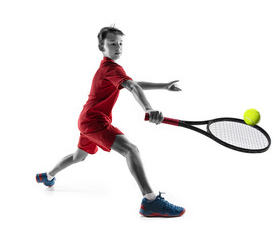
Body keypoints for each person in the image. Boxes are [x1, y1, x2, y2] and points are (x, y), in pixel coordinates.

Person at [36, 26, 185, 217]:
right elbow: (131, 86)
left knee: (78, 157)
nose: (118, 47)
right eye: (112, 43)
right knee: (131, 150)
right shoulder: (111, 68)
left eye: (121, 43)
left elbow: (132, 83)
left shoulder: (108, 69)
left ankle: (48, 176)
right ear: (101, 46)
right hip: (94, 121)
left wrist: (163, 86)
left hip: (86, 119)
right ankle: (150, 200)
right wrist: (148, 109)